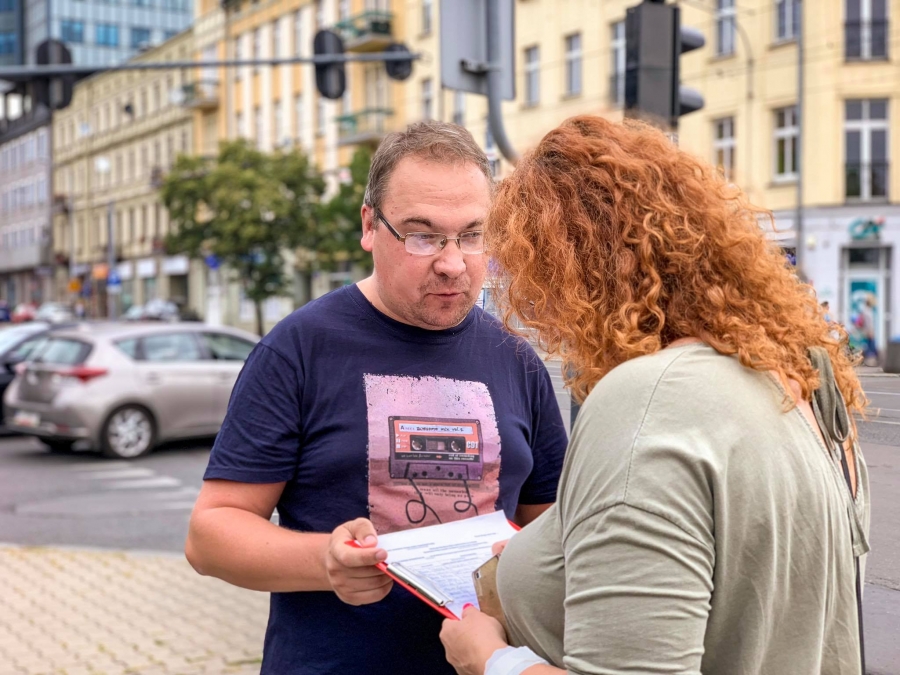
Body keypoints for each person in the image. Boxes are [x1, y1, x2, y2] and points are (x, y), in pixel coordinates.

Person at [440, 115, 870, 675]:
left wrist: (489, 659)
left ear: (572, 274)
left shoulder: (649, 402)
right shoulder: (804, 384)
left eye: (535, 282)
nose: (545, 317)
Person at [185, 120, 568, 675]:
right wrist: (326, 561)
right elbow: (210, 535)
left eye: (472, 235)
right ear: (369, 225)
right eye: (422, 236)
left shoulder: (516, 359)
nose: (452, 263)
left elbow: (550, 525)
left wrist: (530, 563)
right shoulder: (299, 349)